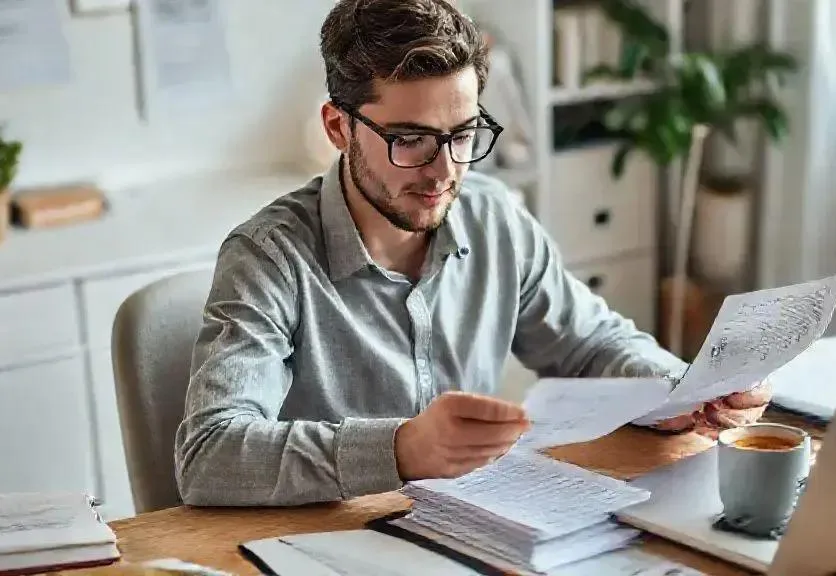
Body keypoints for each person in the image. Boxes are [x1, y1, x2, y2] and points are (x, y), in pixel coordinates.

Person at [173, 0, 772, 507]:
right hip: (329, 542)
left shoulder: (494, 216)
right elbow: (210, 454)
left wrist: (681, 390)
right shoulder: (267, 256)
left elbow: (592, 344)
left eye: (462, 135)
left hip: (478, 529)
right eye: (409, 140)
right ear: (338, 128)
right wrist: (401, 449)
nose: (444, 171)